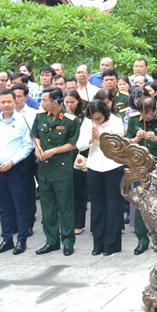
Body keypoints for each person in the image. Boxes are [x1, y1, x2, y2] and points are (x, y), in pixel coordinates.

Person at [32, 86, 81, 256]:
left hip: (61, 168)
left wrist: (54, 151)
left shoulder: (70, 119)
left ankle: (67, 241)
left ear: (55, 102)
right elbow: (36, 135)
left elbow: (72, 143)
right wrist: (38, 149)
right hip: (44, 169)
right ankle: (51, 240)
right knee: (47, 207)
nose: (42, 103)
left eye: (45, 100)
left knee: (65, 206)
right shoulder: (39, 117)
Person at [0, 89, 34, 255]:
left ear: (15, 102)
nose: (6, 105)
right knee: (4, 207)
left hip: (15, 168)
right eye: (2, 102)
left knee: (20, 206)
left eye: (9, 102)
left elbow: (28, 146)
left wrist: (12, 162)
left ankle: (21, 240)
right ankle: (6, 239)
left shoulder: (23, 121)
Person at [77, 99, 126, 256]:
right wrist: (91, 140)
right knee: (97, 206)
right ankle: (98, 244)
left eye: (99, 118)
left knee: (113, 206)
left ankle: (112, 244)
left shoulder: (116, 121)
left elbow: (118, 143)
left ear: (105, 113)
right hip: (94, 165)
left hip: (113, 165)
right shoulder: (87, 122)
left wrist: (101, 137)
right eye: (94, 118)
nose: (96, 121)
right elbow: (80, 145)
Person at [126, 96, 157, 255]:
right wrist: (136, 138)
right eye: (144, 114)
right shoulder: (133, 120)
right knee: (140, 201)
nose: (147, 117)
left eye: (150, 113)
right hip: (139, 167)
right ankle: (141, 240)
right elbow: (126, 143)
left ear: (155, 109)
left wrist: (156, 138)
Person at [63, 90, 89, 236]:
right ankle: (66, 222)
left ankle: (79, 223)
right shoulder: (60, 115)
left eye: (72, 102)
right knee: (65, 192)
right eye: (66, 102)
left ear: (78, 101)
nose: (69, 105)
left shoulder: (84, 116)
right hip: (63, 155)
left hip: (79, 154)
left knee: (79, 190)